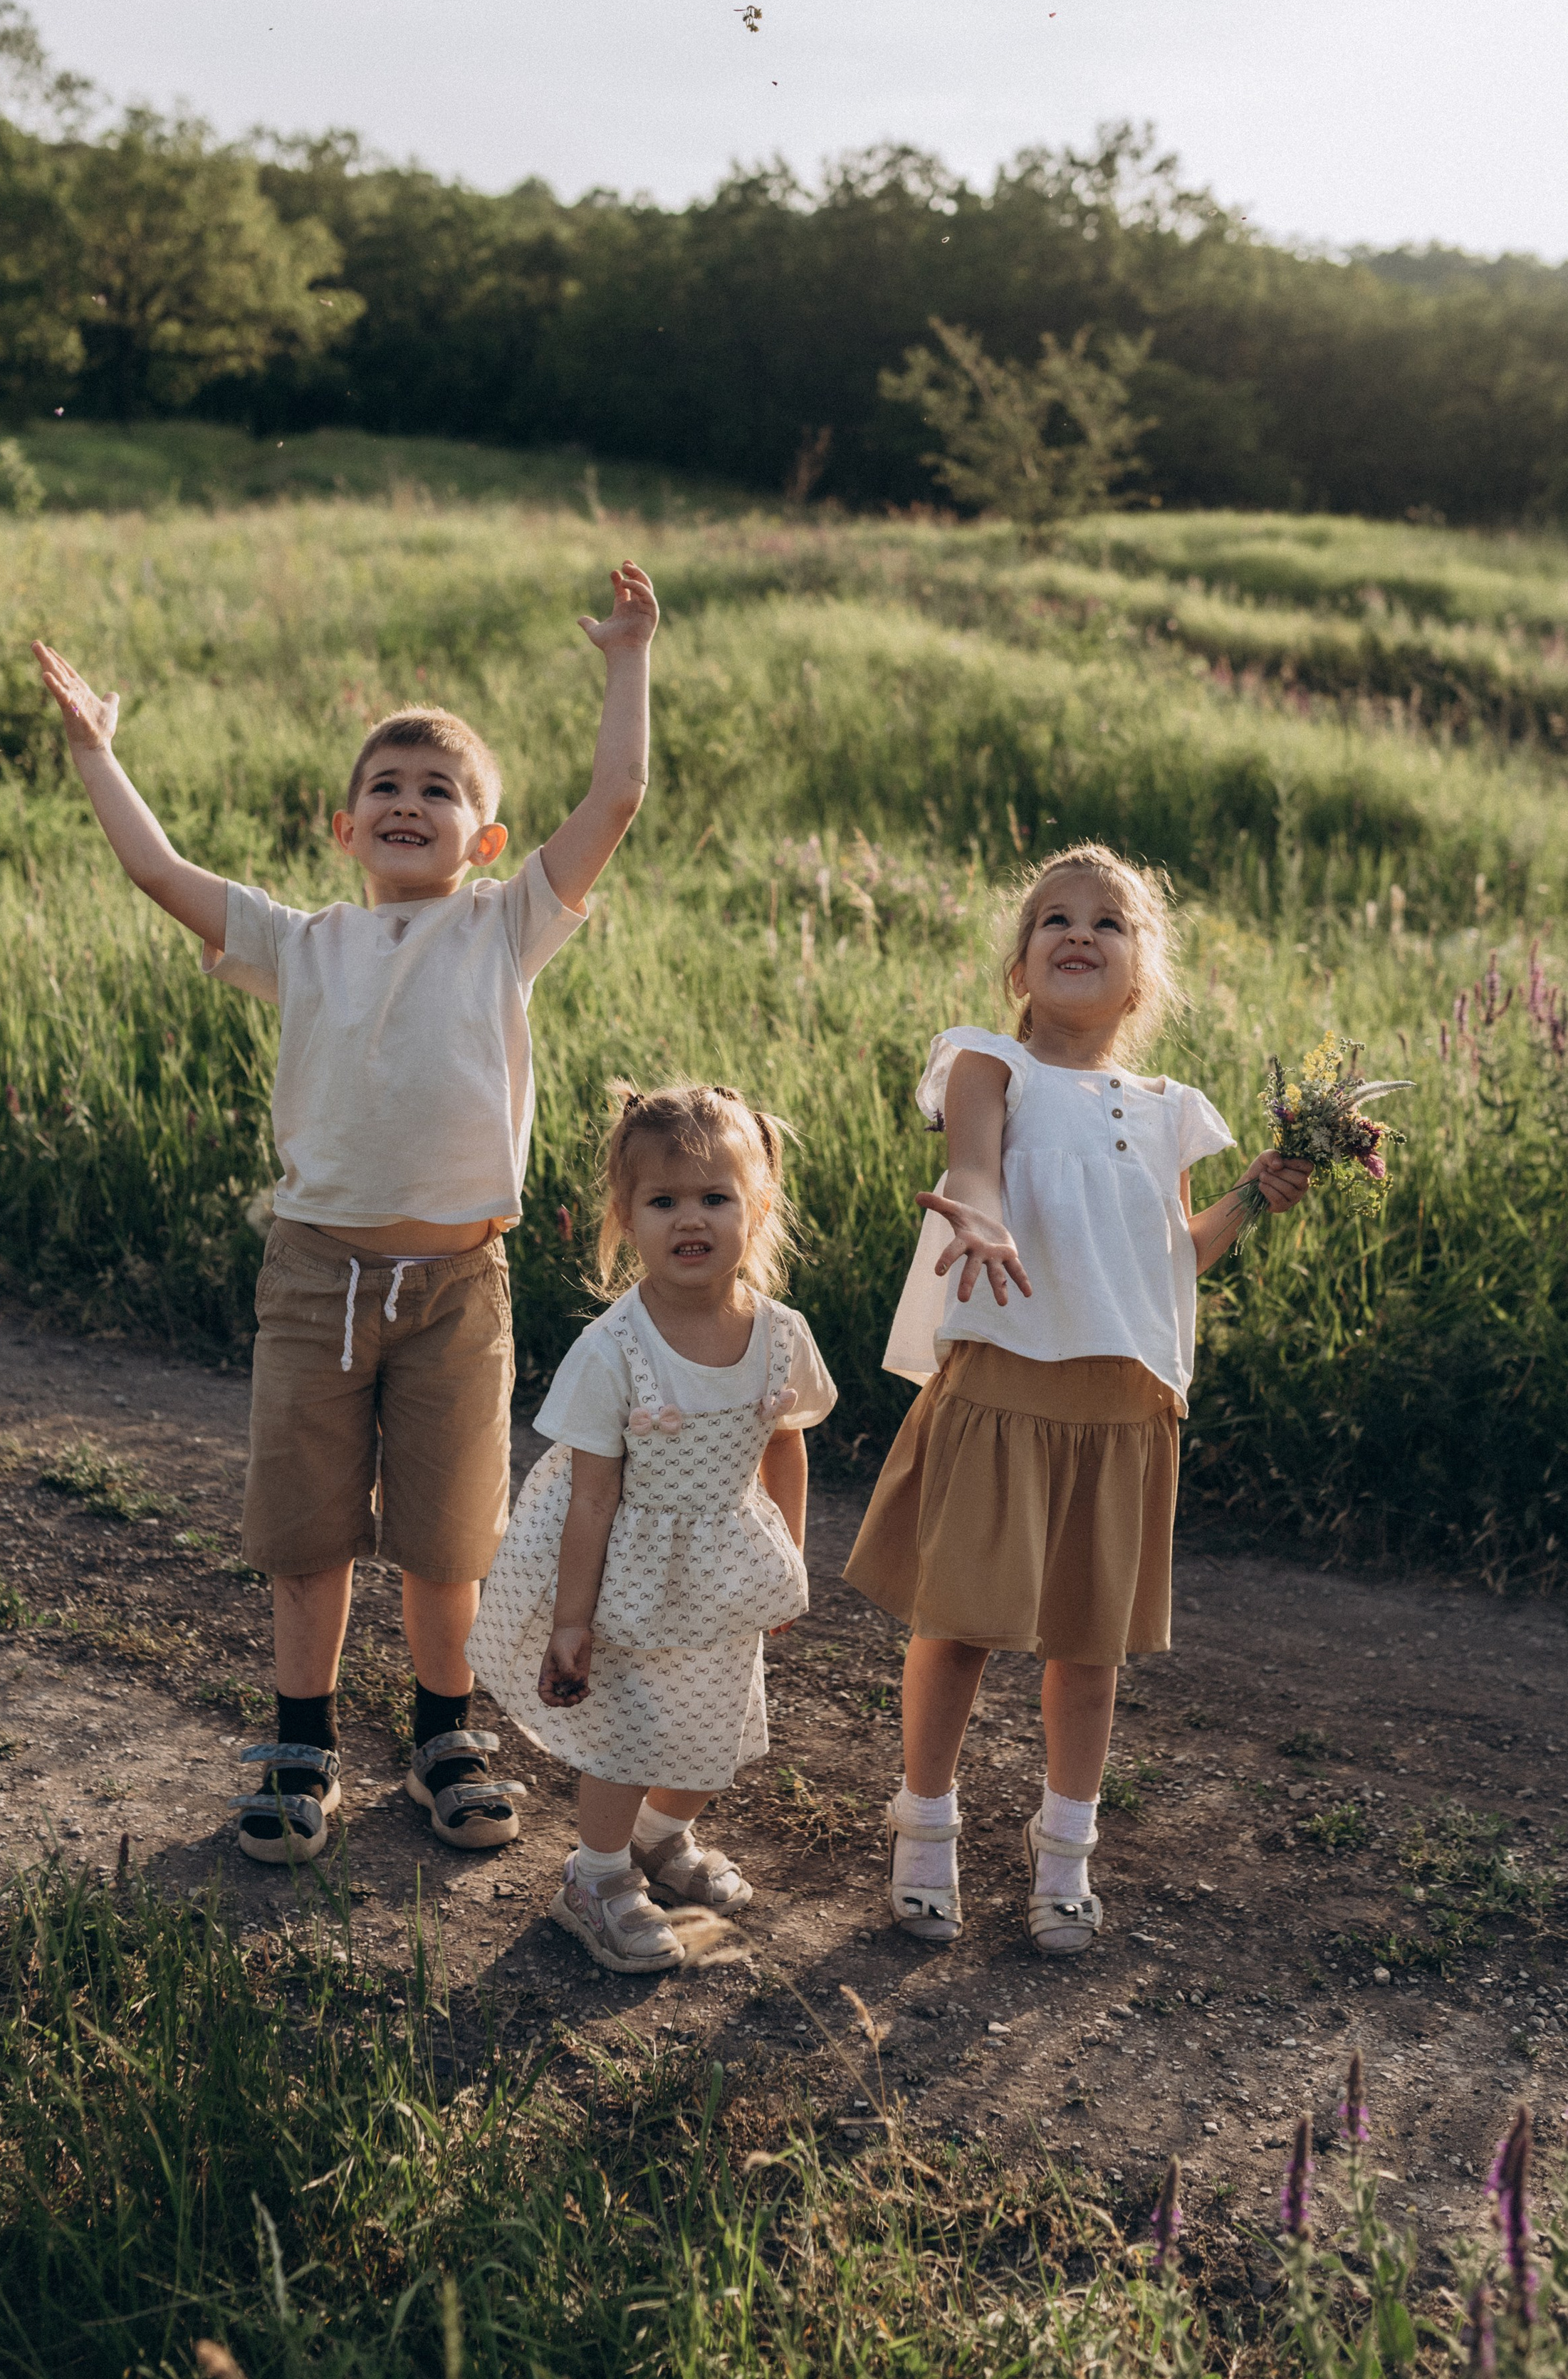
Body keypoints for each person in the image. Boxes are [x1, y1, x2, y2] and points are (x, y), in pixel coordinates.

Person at [30, 560, 658, 1864]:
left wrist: (626, 660)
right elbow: (158, 869)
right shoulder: (297, 941)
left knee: (445, 1540)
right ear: (344, 826)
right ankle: (300, 1739)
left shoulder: (504, 929)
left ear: (484, 839)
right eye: (387, 786)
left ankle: (443, 1735)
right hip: (315, 1276)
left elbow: (616, 796)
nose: (411, 801)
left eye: (440, 790)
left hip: (456, 1290)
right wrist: (96, 749)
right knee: (309, 1528)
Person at [844, 844, 1312, 1956]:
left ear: (1142, 977)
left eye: (1108, 922)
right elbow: (972, 1172)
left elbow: (1172, 1257)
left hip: (1127, 1405)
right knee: (958, 1627)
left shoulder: (1169, 1109)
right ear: (1020, 966)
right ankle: (924, 1830)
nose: (1078, 933)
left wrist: (1252, 1193)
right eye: (1053, 918)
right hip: (1005, 1381)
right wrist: (980, 1215)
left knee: (1086, 1652)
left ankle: (1065, 1859)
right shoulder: (987, 1066)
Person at [466, 1083, 835, 1972]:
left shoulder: (781, 1336)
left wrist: (782, 1557)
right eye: (663, 1201)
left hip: (718, 1567)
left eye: (715, 1197)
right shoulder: (614, 1349)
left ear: (759, 1207)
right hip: (620, 1567)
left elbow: (784, 1449)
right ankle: (594, 1878)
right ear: (625, 1217)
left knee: (714, 1736)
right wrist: (571, 1620)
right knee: (628, 1735)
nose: (690, 1219)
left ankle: (658, 1839)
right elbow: (590, 1498)